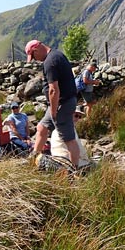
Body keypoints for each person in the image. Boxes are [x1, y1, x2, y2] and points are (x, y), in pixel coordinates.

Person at [25, 39, 80, 167]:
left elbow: (53, 90)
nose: (34, 59)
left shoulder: (50, 62)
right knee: (41, 128)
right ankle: (34, 158)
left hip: (61, 104)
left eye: (33, 56)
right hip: (60, 103)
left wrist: (54, 111)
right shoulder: (57, 55)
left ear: (36, 49)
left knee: (69, 139)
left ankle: (74, 171)